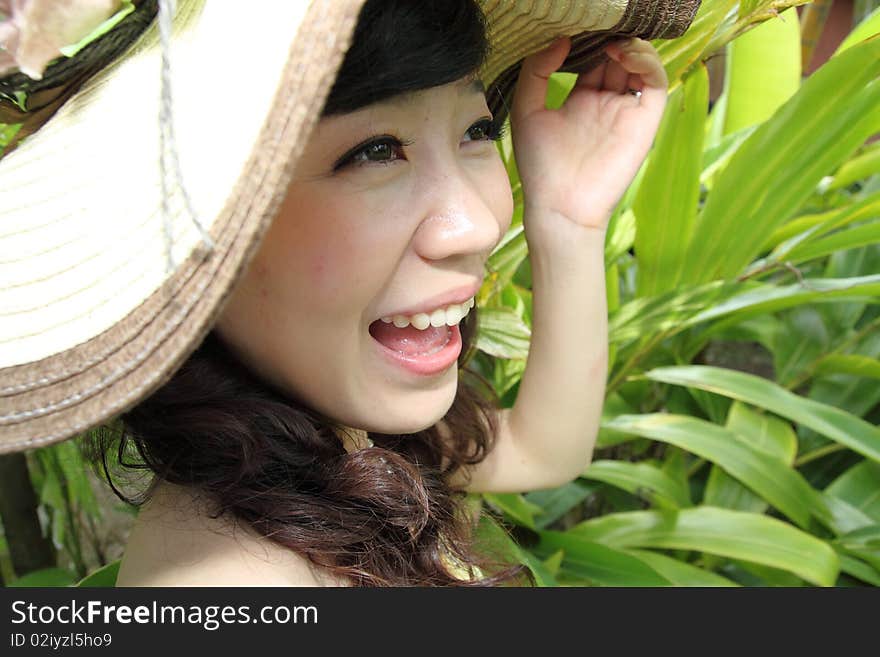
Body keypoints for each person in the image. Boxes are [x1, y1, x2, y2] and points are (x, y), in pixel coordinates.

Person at [0, 0, 695, 586]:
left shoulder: (319, 445)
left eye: (477, 128)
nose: (478, 224)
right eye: (374, 150)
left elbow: (545, 451)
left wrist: (569, 221)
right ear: (198, 228)